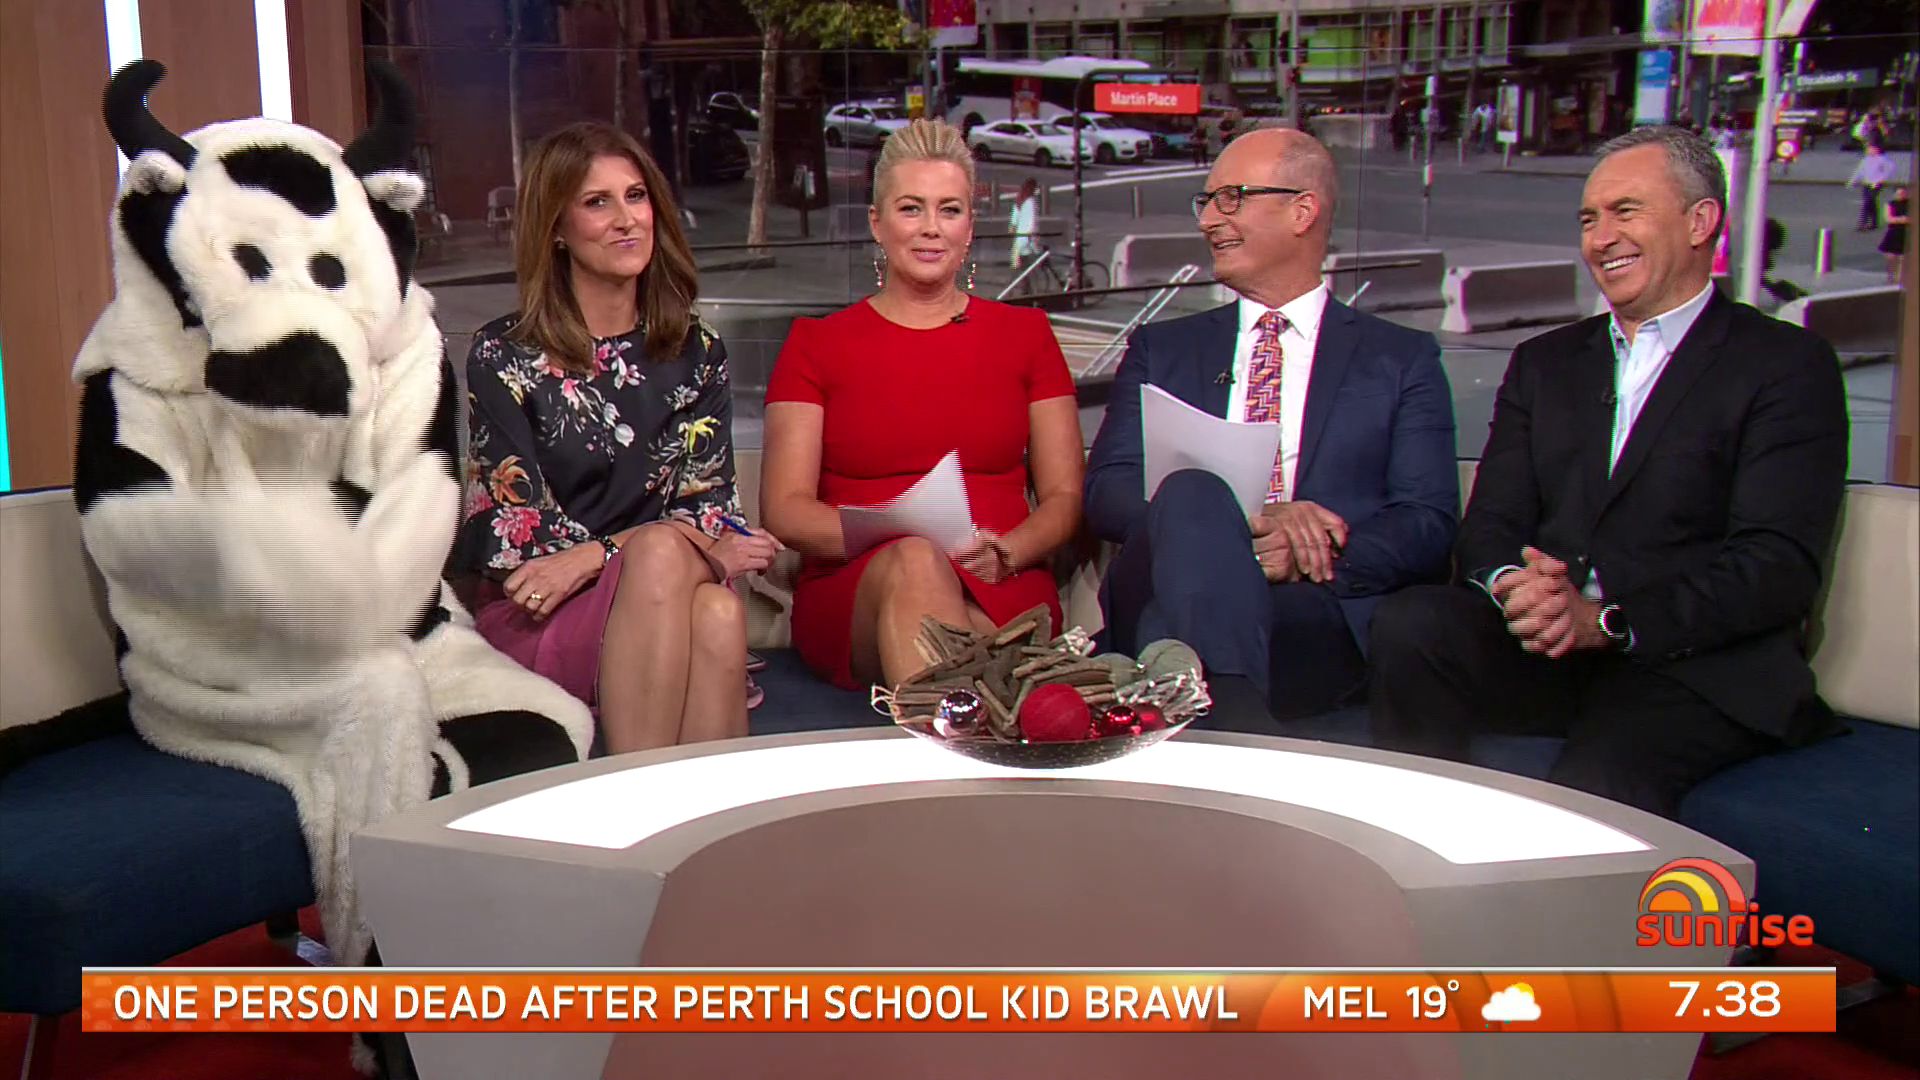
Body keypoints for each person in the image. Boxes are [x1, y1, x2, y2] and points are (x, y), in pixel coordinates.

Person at [1368, 125, 1850, 817]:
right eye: (1589, 219)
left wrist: (1608, 620)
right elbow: (1492, 523)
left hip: (1693, 664)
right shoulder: (1545, 363)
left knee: (1595, 786)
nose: (1601, 238)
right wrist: (1515, 587)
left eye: (1626, 212)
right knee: (1413, 624)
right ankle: (1413, 841)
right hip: (1552, 649)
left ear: (1700, 222)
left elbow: (1776, 565)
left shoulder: (1784, 364)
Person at [1082, 128, 1459, 725]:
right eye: (1206, 201)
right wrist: (1235, 524)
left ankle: (1206, 708)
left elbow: (1426, 520)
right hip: (1163, 578)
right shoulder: (1163, 348)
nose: (1209, 220)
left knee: (1170, 634)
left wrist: (1307, 551)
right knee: (1194, 491)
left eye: (1231, 198)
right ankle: (1233, 715)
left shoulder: (1400, 359)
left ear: (1302, 211)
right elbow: (1108, 491)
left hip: (1310, 608)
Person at [455, 121, 779, 754]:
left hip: (667, 595)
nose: (627, 220)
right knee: (666, 558)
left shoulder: (697, 352)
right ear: (556, 227)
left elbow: (711, 514)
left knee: (716, 611)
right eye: (597, 202)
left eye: (635, 196)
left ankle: (681, 810)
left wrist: (601, 552)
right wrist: (640, 551)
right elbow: (522, 541)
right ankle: (639, 788)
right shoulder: (503, 355)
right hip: (544, 613)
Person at [760, 119, 1084, 690]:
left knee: (966, 636)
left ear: (969, 226)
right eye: (911, 209)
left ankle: (960, 714)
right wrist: (896, 533)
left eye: (949, 210)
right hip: (859, 584)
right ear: (877, 223)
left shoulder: (1027, 335)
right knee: (915, 562)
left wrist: (1010, 551)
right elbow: (785, 511)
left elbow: (1064, 497)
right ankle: (994, 707)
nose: (931, 228)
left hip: (999, 578)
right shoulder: (816, 345)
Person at [1848, 143, 1896, 232]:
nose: (1868, 150)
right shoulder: (1866, 160)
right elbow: (1860, 171)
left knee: (1867, 202)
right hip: (1866, 183)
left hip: (1876, 184)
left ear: (1876, 149)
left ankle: (1862, 223)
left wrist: (1881, 179)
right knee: (1871, 202)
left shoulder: (1882, 159)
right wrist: (1853, 180)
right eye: (1868, 149)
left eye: (1870, 148)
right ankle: (1874, 222)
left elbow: (1891, 169)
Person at [1009, 176, 1042, 273]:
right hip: (1029, 237)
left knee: (1021, 265)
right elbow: (1033, 220)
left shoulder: (1019, 200)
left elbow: (1014, 220)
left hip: (1020, 237)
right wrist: (1033, 235)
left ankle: (1023, 280)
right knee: (1032, 264)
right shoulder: (1032, 202)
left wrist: (1013, 231)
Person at [1880, 185, 1909, 283]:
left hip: (1905, 233)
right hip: (1893, 233)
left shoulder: (1911, 204)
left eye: (1903, 193)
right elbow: (1888, 218)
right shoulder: (1890, 204)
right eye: (1899, 193)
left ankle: (1899, 279)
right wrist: (1902, 219)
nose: (1901, 195)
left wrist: (1905, 220)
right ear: (1895, 194)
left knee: (1903, 258)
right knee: (1891, 258)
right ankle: (1890, 276)